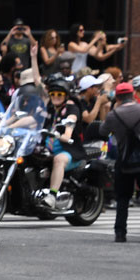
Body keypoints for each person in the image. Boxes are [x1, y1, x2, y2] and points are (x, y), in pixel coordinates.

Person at [103, 82, 140, 243]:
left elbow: (103, 131)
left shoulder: (113, 115)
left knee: (122, 197)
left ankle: (120, 233)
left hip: (124, 160)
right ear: (133, 95)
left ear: (118, 98)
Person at [39, 75, 85, 210]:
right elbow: (34, 120)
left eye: (59, 94)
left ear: (66, 95)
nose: (56, 97)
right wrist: (10, 124)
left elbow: (71, 122)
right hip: (47, 149)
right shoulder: (50, 109)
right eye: (52, 94)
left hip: (68, 150)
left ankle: (52, 196)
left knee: (59, 159)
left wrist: (65, 134)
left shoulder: (72, 109)